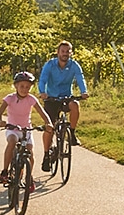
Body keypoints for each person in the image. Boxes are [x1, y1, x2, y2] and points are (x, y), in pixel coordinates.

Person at [37, 40, 89, 172]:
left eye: (67, 51)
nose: (65, 54)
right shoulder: (50, 64)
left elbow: (80, 78)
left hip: (66, 97)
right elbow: (43, 79)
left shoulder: (74, 65)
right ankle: (46, 155)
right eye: (63, 51)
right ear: (58, 52)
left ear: (71, 53)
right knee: (49, 127)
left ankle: (71, 133)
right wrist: (42, 92)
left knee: (75, 105)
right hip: (51, 98)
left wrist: (84, 92)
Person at [0, 72, 52, 190]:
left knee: (30, 152)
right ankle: (5, 171)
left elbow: (43, 113)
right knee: (12, 142)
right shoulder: (10, 98)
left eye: (27, 87)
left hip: (26, 129)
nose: (24, 89)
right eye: (22, 86)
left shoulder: (31, 99)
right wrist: (0, 121)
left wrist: (48, 123)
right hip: (12, 128)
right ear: (16, 86)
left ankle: (29, 177)